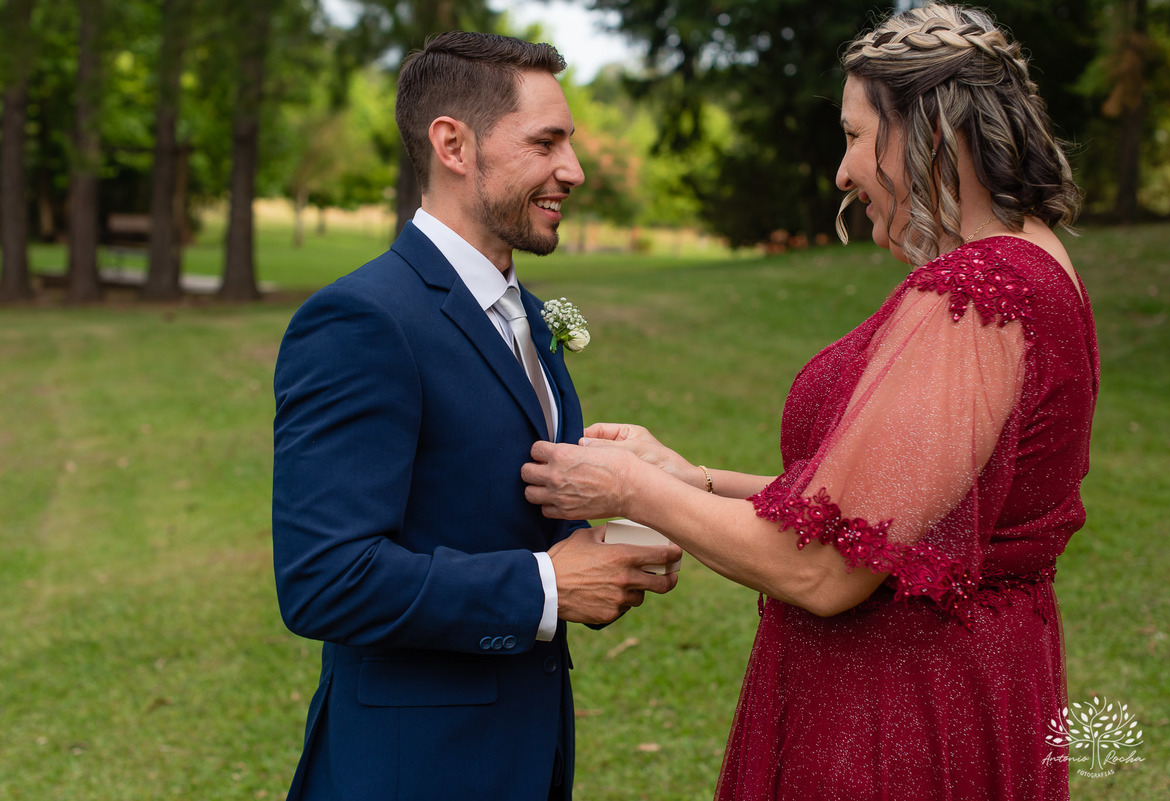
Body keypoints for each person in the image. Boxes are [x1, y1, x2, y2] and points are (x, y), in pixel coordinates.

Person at [522, 5, 1097, 800]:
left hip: (896, 715)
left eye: (856, 136)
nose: (843, 172)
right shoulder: (1037, 260)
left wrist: (631, 489)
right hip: (969, 677)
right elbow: (885, 511)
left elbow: (825, 567)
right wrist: (694, 479)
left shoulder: (976, 292)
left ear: (929, 133)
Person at [271, 31, 681, 801]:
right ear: (453, 145)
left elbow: (509, 510)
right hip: (411, 768)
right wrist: (546, 588)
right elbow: (324, 578)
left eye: (570, 143)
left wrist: (617, 535)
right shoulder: (362, 320)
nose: (574, 169)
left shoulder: (529, 312)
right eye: (546, 143)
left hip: (528, 749)